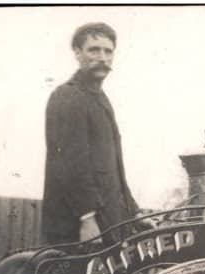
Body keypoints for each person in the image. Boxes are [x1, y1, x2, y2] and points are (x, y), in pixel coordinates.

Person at [42, 22, 146, 245]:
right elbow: (70, 165)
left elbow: (113, 170)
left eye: (108, 51)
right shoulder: (68, 97)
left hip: (107, 224)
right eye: (94, 50)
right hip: (80, 230)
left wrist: (134, 212)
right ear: (77, 53)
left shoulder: (99, 99)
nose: (103, 57)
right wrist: (86, 219)